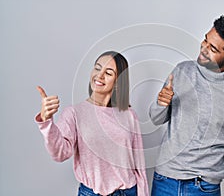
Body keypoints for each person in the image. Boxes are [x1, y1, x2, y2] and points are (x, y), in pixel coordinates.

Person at [149, 15, 224, 196]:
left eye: (213, 48)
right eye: (206, 40)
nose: (203, 49)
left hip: (203, 187)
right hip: (164, 181)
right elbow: (156, 119)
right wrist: (162, 103)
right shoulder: (182, 70)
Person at [35, 51, 149, 196]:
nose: (99, 75)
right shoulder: (74, 113)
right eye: (97, 68)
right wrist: (46, 122)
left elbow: (139, 165)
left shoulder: (129, 115)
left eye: (108, 73)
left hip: (128, 192)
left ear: (118, 82)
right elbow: (60, 153)